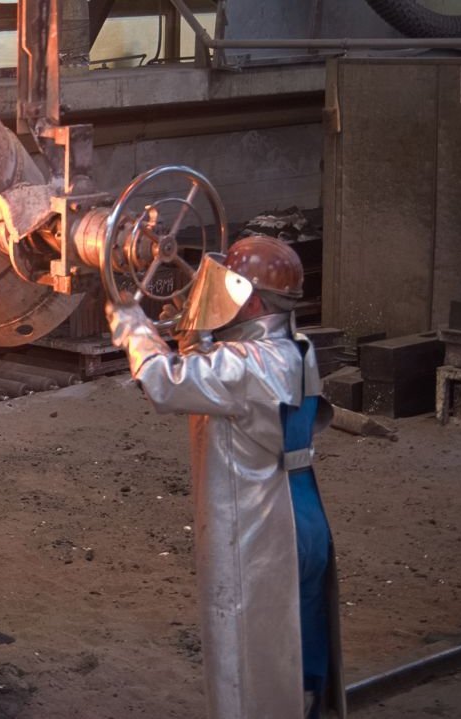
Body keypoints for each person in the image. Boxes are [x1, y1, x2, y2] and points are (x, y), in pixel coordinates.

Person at [106, 234, 345, 719]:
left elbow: (164, 382)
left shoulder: (244, 367)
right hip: (303, 514)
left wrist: (132, 325)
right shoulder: (295, 348)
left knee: (247, 660)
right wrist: (190, 313)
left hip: (261, 531)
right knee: (298, 645)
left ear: (249, 296)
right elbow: (205, 363)